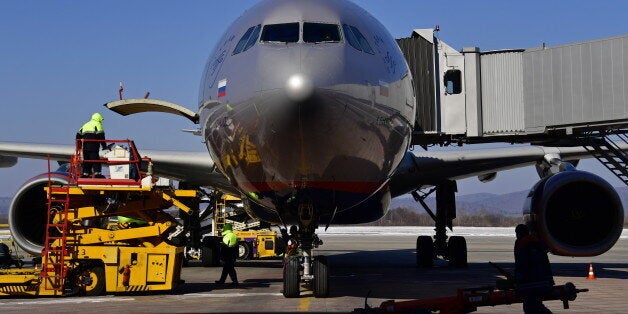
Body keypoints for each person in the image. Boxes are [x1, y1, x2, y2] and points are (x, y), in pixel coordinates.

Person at [514, 224, 554, 314]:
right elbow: (546, 264)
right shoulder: (538, 243)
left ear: (519, 233)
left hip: (530, 284)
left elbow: (522, 264)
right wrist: (550, 280)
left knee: (530, 307)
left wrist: (518, 279)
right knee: (534, 306)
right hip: (543, 282)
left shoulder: (521, 244)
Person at [76, 113, 107, 178]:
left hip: (85, 146)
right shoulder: (98, 124)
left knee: (87, 160)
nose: (101, 121)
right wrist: (104, 146)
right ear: (98, 118)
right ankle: (97, 174)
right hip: (94, 146)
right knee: (95, 160)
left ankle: (85, 174)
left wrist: (79, 145)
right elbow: (101, 136)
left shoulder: (85, 125)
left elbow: (78, 135)